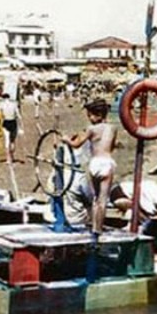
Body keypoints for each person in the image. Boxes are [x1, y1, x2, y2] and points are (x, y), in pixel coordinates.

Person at [64, 98, 117, 235]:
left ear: (97, 115)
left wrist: (66, 140)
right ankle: (99, 228)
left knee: (95, 199)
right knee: (103, 200)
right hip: (107, 162)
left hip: (95, 163)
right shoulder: (112, 128)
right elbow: (111, 146)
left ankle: (94, 228)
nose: (89, 119)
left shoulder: (91, 129)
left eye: (90, 116)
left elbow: (76, 144)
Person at [0, 92, 22, 164]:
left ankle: (8, 158)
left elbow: (0, 115)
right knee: (12, 141)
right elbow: (18, 115)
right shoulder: (14, 104)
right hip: (13, 122)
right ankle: (12, 156)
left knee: (7, 141)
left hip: (6, 122)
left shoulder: (1, 104)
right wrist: (21, 125)